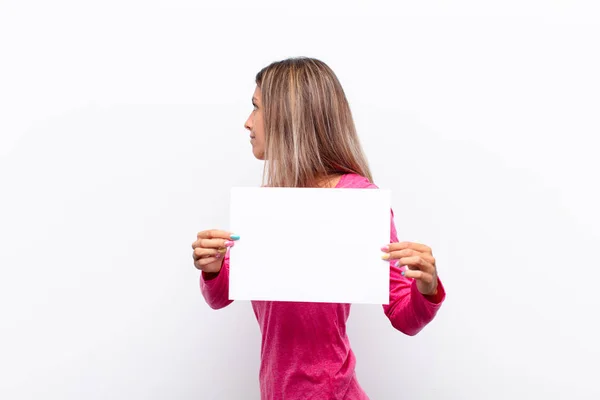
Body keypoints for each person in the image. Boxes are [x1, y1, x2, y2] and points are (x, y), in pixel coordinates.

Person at [191, 57, 446, 400]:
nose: (247, 122)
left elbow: (404, 317)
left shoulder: (357, 199)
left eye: (256, 108)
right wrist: (212, 268)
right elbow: (221, 296)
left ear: (287, 117)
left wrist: (427, 286)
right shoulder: (266, 204)